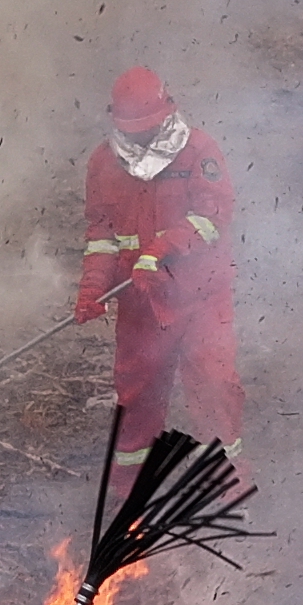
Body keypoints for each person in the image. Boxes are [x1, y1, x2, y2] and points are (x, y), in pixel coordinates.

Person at [76, 66, 241, 469]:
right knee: (137, 395)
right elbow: (102, 235)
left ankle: (224, 489)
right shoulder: (103, 162)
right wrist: (93, 288)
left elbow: (213, 215)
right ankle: (129, 495)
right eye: (131, 129)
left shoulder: (198, 151)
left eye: (146, 128)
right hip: (140, 302)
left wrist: (160, 250)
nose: (139, 137)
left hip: (198, 295)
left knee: (213, 388)